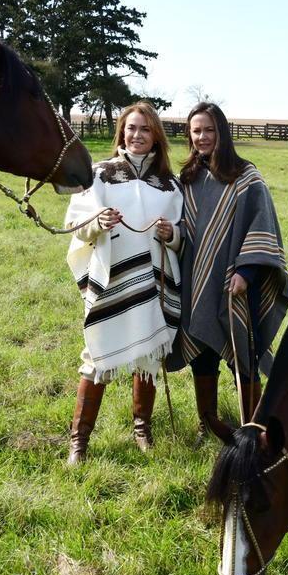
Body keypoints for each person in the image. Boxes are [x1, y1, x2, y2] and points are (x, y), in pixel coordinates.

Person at [166, 102, 288, 444]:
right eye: (196, 131)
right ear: (189, 136)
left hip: (237, 283)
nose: (203, 137)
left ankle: (253, 429)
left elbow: (260, 222)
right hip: (196, 281)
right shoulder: (187, 179)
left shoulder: (246, 176)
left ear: (221, 131)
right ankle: (208, 425)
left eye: (209, 130)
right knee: (202, 354)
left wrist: (246, 271)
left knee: (244, 356)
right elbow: (182, 228)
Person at [64, 101, 182, 461]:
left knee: (148, 352)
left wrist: (171, 233)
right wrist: (98, 223)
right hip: (112, 278)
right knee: (98, 354)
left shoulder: (168, 185)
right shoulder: (99, 174)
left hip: (154, 281)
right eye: (131, 128)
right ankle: (79, 441)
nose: (137, 135)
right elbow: (75, 225)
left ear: (156, 136)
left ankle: (142, 430)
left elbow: (183, 235)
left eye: (145, 129)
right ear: (121, 131)